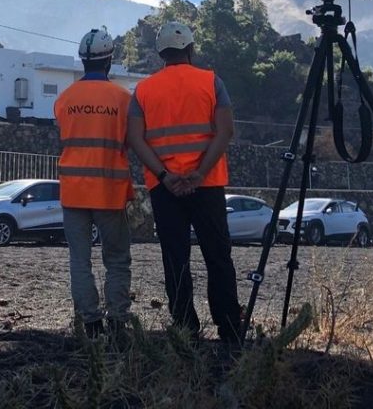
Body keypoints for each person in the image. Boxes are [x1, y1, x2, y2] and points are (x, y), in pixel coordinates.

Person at [126, 21, 241, 345]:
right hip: (207, 184)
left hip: (165, 188)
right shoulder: (211, 82)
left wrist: (165, 176)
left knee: (175, 259)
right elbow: (225, 131)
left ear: (160, 53)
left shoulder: (144, 90)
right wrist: (200, 173)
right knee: (218, 256)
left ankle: (186, 329)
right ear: (191, 49)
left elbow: (135, 138)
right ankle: (230, 328)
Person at [54, 28, 133, 339]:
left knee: (80, 260)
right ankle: (118, 322)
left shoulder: (65, 99)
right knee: (117, 260)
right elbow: (131, 141)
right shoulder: (123, 100)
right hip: (109, 193)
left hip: (73, 192)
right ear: (109, 60)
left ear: (83, 60)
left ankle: (90, 324)